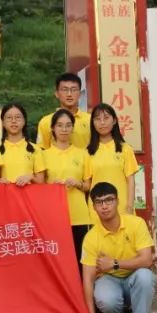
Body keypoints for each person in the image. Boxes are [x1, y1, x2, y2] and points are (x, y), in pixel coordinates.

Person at [80, 182, 156, 313]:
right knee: (104, 296)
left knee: (145, 276)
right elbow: (88, 279)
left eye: (109, 200)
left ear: (117, 201)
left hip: (133, 278)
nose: (104, 206)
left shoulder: (136, 223)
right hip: (109, 280)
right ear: (93, 207)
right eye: (99, 202)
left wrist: (114, 264)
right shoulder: (91, 238)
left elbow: (147, 260)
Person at [43, 108, 92, 263]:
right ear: (53, 128)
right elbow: (39, 186)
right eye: (59, 125)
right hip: (53, 216)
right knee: (58, 261)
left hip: (79, 215)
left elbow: (88, 186)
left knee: (80, 260)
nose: (64, 129)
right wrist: (51, 186)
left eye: (68, 125)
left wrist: (77, 183)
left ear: (72, 128)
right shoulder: (43, 155)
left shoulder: (82, 154)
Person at [86, 103, 138, 220]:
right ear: (93, 123)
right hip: (97, 210)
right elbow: (87, 184)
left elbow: (130, 181)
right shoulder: (88, 152)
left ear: (114, 121)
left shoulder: (125, 149)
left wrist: (129, 206)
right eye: (97, 119)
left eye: (106, 118)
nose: (102, 122)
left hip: (122, 208)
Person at [37, 73, 91, 148]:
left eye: (74, 90)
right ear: (56, 93)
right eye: (65, 90)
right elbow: (41, 150)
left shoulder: (90, 120)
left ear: (79, 93)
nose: (69, 94)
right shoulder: (46, 122)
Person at [0, 103, 45, 187]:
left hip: (28, 195)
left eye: (18, 117)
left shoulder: (35, 149)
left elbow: (41, 181)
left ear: (24, 121)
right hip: (5, 194)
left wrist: (30, 177)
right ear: (3, 123)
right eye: (9, 117)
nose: (13, 121)